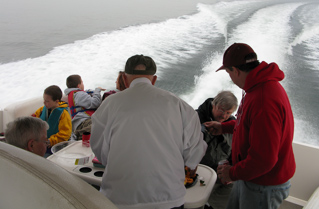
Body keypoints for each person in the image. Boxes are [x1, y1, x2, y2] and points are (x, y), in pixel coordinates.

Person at [90, 54, 207, 209]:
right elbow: (193, 154)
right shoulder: (179, 105)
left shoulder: (110, 104)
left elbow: (101, 152)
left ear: (125, 78)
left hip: (119, 198)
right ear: (154, 79)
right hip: (169, 197)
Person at [205, 43, 295, 209]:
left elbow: (264, 160)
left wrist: (232, 173)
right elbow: (248, 124)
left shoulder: (263, 100)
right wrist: (224, 127)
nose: (230, 78)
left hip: (263, 184)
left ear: (236, 71)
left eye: (228, 72)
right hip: (249, 175)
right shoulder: (256, 87)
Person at [196, 90, 238, 209]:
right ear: (214, 104)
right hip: (200, 172)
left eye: (228, 112)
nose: (224, 115)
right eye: (221, 110)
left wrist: (231, 168)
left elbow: (235, 149)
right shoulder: (195, 118)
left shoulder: (233, 125)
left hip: (221, 174)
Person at [32, 85, 72, 156]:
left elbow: (65, 134)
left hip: (54, 146)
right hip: (42, 142)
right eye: (44, 100)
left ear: (56, 101)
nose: (44, 102)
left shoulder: (63, 114)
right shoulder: (42, 109)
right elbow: (35, 117)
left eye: (47, 101)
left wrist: (50, 141)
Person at [64, 74, 105, 141]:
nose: (83, 84)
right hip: (83, 121)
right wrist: (97, 90)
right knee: (99, 125)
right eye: (82, 82)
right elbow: (96, 103)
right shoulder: (79, 94)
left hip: (79, 122)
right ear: (78, 85)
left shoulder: (74, 94)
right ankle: (78, 134)